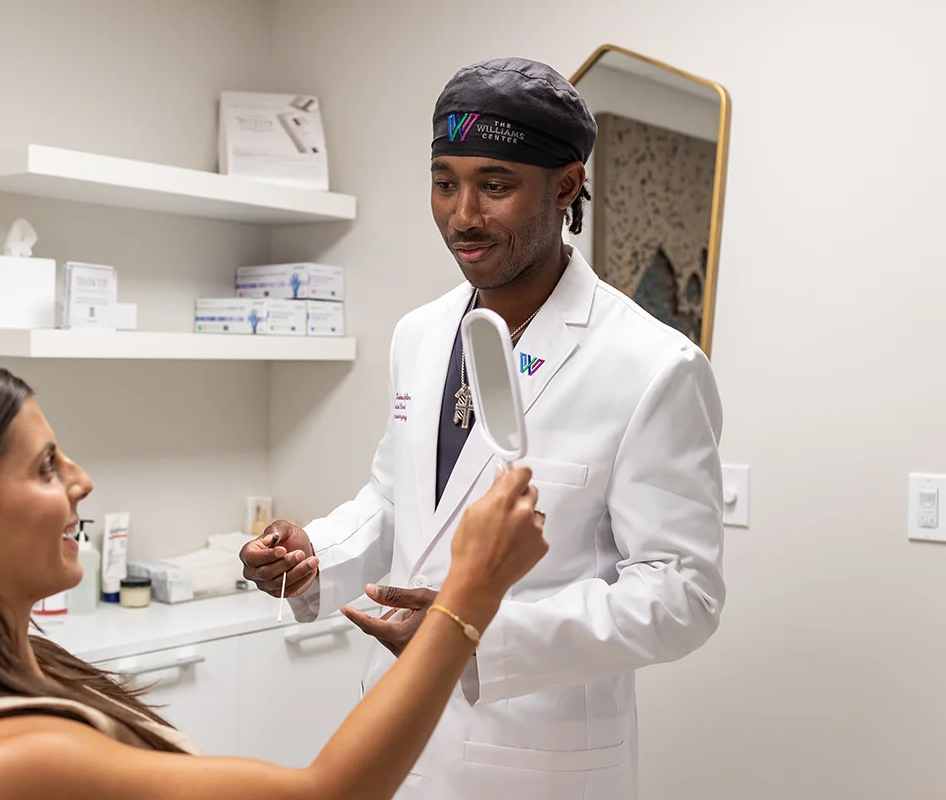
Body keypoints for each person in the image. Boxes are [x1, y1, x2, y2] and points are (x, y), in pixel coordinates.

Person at [239, 57, 726, 800]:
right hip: (397, 735)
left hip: (538, 756)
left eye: (495, 185)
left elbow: (683, 594)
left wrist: (470, 635)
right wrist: (314, 552)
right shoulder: (420, 334)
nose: (462, 214)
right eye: (445, 183)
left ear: (565, 186)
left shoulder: (652, 366)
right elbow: (399, 500)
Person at [0, 361, 548, 800]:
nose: (82, 481)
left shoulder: (27, 665)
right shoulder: (1, 759)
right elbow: (328, 796)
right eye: (46, 467)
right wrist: (470, 590)